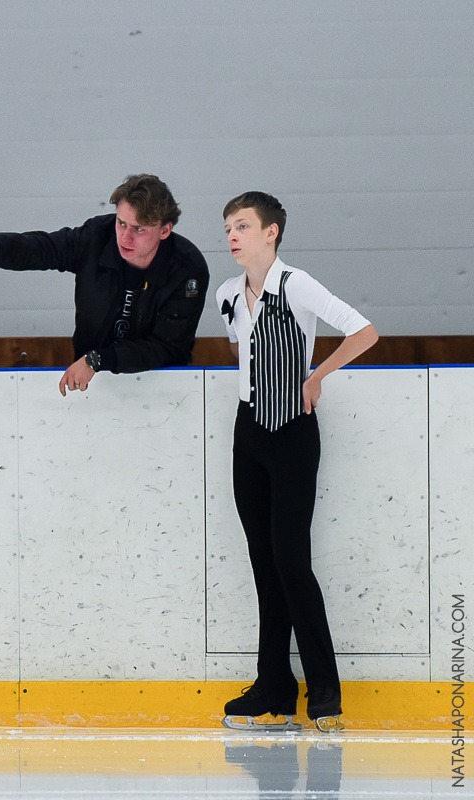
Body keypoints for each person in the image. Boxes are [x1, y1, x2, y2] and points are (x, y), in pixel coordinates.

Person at [216, 191, 378, 732]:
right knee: (262, 561)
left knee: (291, 559)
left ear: (272, 232)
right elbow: (240, 348)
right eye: (228, 227)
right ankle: (275, 687)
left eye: (243, 225)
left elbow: (364, 331)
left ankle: (325, 689)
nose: (232, 235)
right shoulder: (226, 294)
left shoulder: (296, 283)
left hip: (292, 432)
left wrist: (315, 375)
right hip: (248, 432)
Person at [0, 174, 209, 395]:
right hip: (92, 380)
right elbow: (43, 248)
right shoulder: (97, 237)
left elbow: (166, 347)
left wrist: (98, 359)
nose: (125, 237)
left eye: (139, 229)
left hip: (161, 386)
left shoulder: (187, 269)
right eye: (121, 223)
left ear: (165, 230)